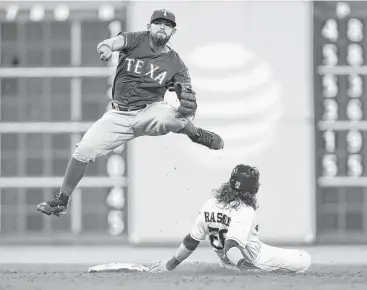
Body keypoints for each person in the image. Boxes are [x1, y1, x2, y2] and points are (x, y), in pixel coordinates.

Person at [37, 9, 223, 217]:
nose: (162, 26)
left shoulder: (176, 64)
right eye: (158, 22)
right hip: (118, 115)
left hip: (149, 110)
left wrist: (188, 106)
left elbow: (188, 99)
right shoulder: (135, 40)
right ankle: (62, 201)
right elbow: (109, 43)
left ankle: (195, 134)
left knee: (171, 115)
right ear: (148, 27)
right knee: (84, 149)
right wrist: (106, 48)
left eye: (167, 24)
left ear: (173, 32)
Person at [150, 164, 312, 274]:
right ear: (253, 189)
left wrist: (170, 264)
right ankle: (266, 270)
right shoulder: (244, 209)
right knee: (304, 259)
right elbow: (230, 247)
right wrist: (247, 268)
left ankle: (235, 266)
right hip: (251, 259)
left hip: (228, 260)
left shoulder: (210, 203)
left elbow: (191, 241)